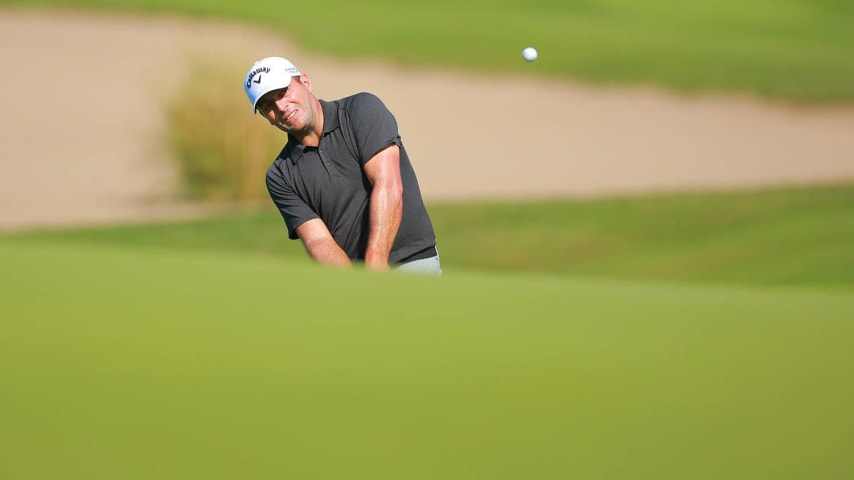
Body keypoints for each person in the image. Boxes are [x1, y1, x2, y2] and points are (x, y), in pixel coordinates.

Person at [243, 56, 441, 275]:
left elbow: (388, 184)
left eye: (283, 92)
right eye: (268, 105)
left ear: (306, 83)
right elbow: (318, 240)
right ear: (265, 117)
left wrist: (376, 265)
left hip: (413, 263)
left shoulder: (361, 110)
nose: (280, 106)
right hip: (356, 281)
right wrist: (353, 285)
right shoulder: (281, 175)